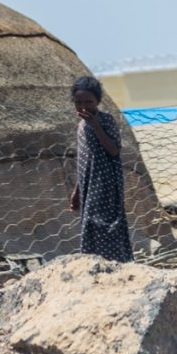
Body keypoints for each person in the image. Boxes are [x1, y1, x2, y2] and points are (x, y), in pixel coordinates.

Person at [69, 75, 133, 262]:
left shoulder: (106, 120)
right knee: (90, 222)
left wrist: (96, 126)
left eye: (89, 101)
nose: (83, 106)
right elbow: (83, 161)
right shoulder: (81, 126)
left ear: (98, 101)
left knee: (107, 223)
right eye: (78, 102)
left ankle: (116, 263)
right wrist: (77, 192)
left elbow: (114, 151)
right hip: (89, 184)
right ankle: (93, 262)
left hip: (106, 182)